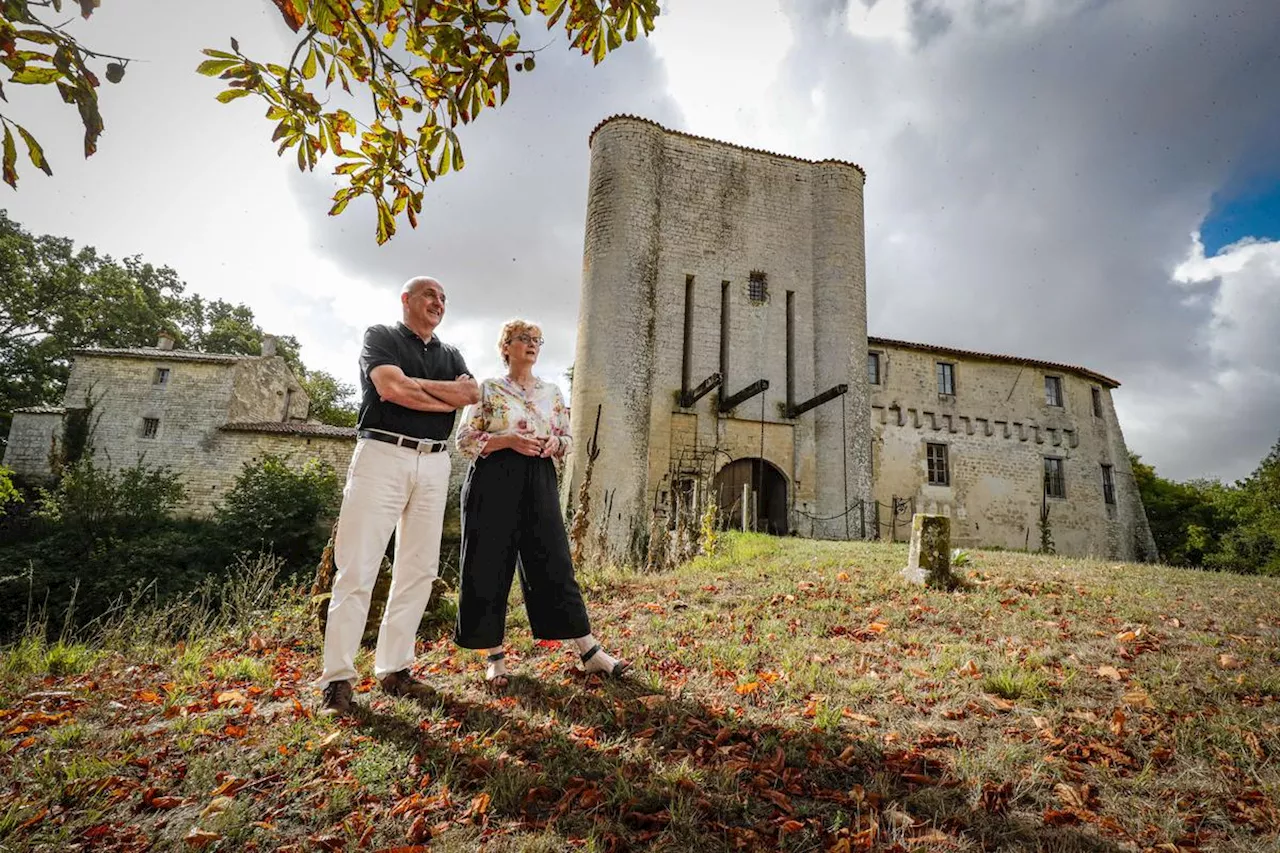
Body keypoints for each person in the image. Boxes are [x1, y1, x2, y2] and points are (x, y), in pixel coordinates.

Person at [317, 276, 481, 716]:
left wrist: (421, 390)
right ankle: (337, 681)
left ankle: (394, 669)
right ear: (407, 299)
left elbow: (470, 395)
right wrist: (440, 397)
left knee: (419, 569)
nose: (439, 302)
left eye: (444, 297)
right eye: (430, 294)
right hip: (381, 453)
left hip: (434, 462)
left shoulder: (451, 354)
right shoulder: (382, 336)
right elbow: (390, 388)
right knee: (357, 568)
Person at [454, 319, 630, 692]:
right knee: (488, 563)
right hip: (494, 477)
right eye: (524, 339)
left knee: (554, 559)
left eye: (537, 340)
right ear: (506, 347)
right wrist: (507, 442)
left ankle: (588, 650)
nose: (532, 344)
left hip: (539, 476)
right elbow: (465, 440)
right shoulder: (487, 389)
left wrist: (555, 445)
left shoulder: (552, 392)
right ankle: (495, 658)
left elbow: (566, 437)